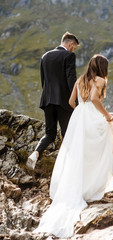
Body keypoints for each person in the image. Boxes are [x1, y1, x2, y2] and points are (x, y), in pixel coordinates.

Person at [33, 54, 113, 238]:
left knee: (80, 154)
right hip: (92, 118)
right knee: (106, 148)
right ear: (103, 67)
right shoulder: (101, 80)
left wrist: (82, 111)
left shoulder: (81, 79)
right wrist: (107, 115)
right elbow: (96, 100)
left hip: (78, 118)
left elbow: (72, 102)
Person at [26, 32, 79, 170]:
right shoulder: (69, 56)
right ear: (71, 44)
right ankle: (69, 167)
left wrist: (48, 96)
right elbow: (71, 79)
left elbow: (44, 81)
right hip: (63, 101)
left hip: (47, 100)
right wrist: (76, 101)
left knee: (50, 133)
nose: (74, 50)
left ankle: (35, 153)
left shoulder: (45, 56)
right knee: (67, 133)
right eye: (74, 47)